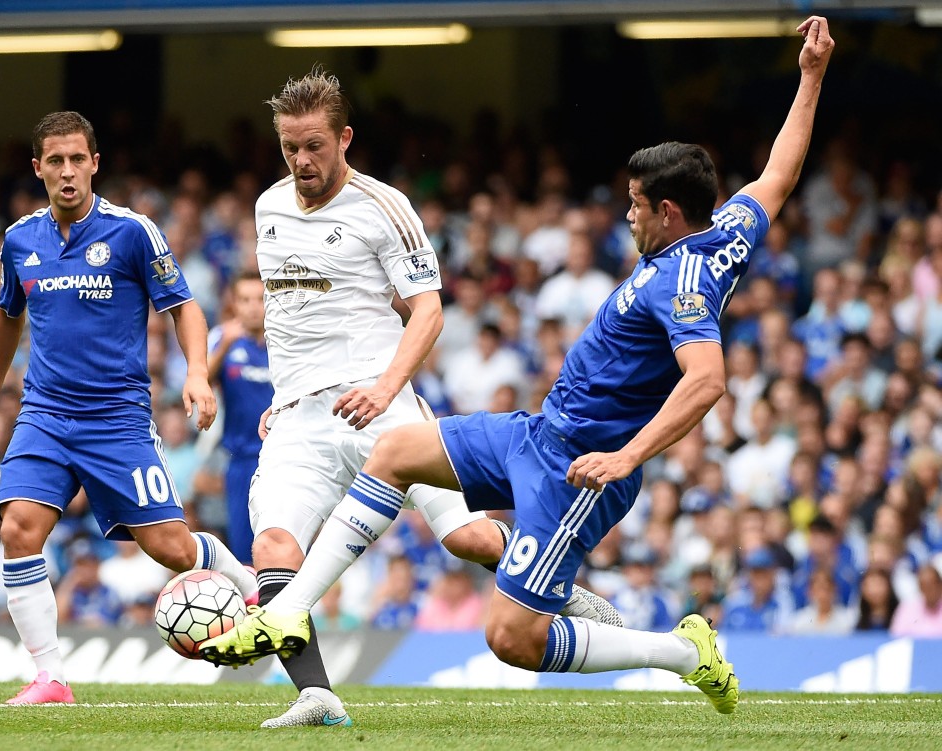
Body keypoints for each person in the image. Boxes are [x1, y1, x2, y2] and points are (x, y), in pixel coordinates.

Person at [202, 18, 835, 716]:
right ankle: (289, 610)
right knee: (395, 452)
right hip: (538, 431)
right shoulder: (727, 231)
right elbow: (778, 175)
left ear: (667, 211)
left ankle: (683, 652)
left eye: (633, 205)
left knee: (510, 637)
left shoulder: (681, 284)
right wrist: (810, 76)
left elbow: (708, 379)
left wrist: (626, 457)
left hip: (578, 468)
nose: (624, 217)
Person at [217, 68, 618, 730]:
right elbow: (289, 315)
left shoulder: (384, 207)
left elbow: (428, 311)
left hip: (382, 404)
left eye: (314, 145)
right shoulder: (268, 208)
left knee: (465, 536)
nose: (302, 160)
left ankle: (558, 585)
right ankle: (317, 697)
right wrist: (286, 392)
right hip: (299, 419)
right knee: (275, 546)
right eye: (290, 147)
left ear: (345, 138)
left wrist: (384, 388)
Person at [0, 111, 259, 706]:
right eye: (55, 161)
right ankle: (51, 678)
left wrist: (197, 374)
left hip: (116, 420)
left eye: (78, 159)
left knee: (172, 548)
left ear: (95, 163)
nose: (67, 171)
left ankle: (245, 580)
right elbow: (6, 315)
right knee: (19, 528)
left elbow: (184, 306)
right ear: (38, 168)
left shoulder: (132, 232)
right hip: (45, 414)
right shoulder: (20, 239)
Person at [206, 270, 274, 562]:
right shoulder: (222, 339)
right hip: (241, 460)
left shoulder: (285, 341)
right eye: (245, 300)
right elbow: (199, 384)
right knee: (244, 550)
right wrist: (224, 347)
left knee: (283, 544)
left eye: (260, 299)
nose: (253, 307)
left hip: (283, 458)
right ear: (233, 303)